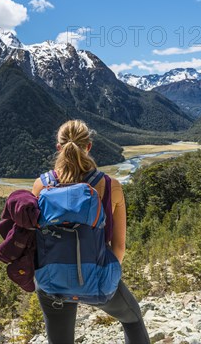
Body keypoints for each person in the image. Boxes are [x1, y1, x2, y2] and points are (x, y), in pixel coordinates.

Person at [31, 120, 149, 344]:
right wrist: (103, 276)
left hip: (52, 280)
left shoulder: (41, 185)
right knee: (132, 318)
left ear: (59, 148)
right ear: (89, 147)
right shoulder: (110, 185)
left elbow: (34, 238)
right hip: (96, 276)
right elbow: (119, 246)